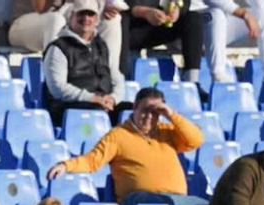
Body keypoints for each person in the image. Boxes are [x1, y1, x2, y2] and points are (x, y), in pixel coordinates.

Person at [47, 88, 206, 205]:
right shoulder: (118, 135)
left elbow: (196, 139)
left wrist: (171, 115)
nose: (149, 116)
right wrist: (65, 165)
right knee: (163, 201)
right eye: (145, 110)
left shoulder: (167, 131)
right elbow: (92, 160)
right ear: (135, 107)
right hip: (137, 200)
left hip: (177, 199)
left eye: (155, 112)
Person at [42, 0, 120, 128]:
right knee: (97, 112)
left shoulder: (101, 46)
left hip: (101, 103)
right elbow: (57, 88)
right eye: (81, 14)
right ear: (71, 17)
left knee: (131, 110)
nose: (86, 18)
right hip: (69, 107)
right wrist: (93, 98)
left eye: (90, 14)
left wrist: (113, 99)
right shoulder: (58, 48)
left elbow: (116, 76)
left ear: (96, 19)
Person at [10, 0, 121, 64]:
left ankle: (106, 81)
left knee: (112, 21)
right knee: (56, 20)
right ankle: (55, 83)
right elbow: (40, 8)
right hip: (25, 24)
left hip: (67, 13)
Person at [121, 0, 204, 83]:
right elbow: (120, 4)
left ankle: (192, 80)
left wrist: (177, 10)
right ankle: (121, 78)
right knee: (122, 19)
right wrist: (145, 12)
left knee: (193, 18)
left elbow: (185, 2)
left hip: (160, 24)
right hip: (130, 28)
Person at [205, 0, 264, 89]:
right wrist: (245, 14)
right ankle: (218, 77)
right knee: (216, 14)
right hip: (198, 21)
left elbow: (260, 4)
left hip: (224, 22)